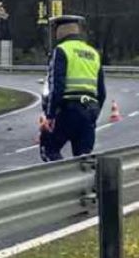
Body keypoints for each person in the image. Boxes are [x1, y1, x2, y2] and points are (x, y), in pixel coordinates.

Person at [40, 15, 106, 162]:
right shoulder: (93, 53)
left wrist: (50, 115)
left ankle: (60, 181)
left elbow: (57, 85)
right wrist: (94, 114)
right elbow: (102, 92)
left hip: (68, 110)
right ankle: (85, 184)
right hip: (90, 110)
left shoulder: (61, 50)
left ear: (60, 31)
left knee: (49, 149)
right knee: (83, 160)